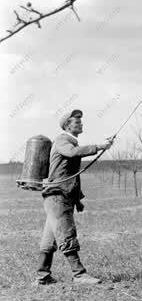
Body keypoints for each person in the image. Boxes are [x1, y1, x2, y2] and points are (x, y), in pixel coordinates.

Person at [36, 109, 114, 285]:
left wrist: (77, 199)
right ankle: (79, 274)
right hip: (57, 196)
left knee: (49, 239)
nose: (81, 123)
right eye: (77, 121)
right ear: (67, 125)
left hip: (58, 196)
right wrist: (100, 146)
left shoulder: (69, 141)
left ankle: (42, 275)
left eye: (80, 121)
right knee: (66, 233)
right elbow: (73, 152)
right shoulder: (63, 140)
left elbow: (72, 175)